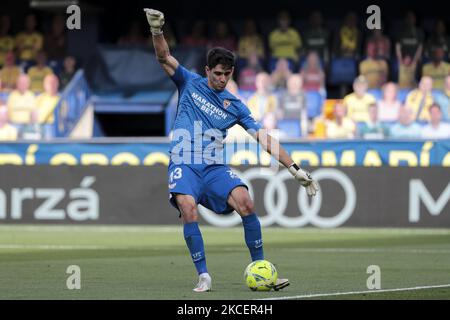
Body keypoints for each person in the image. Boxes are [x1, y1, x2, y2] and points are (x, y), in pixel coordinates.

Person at [144, 8, 319, 293]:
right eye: (217, 74)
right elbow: (164, 57)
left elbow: (264, 138)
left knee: (246, 202)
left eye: (226, 74)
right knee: (188, 208)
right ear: (207, 71)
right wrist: (156, 31)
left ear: (232, 73)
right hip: (184, 162)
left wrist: (294, 168)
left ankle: (263, 270)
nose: (221, 79)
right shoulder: (189, 82)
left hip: (213, 167)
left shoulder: (236, 106)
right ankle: (203, 275)